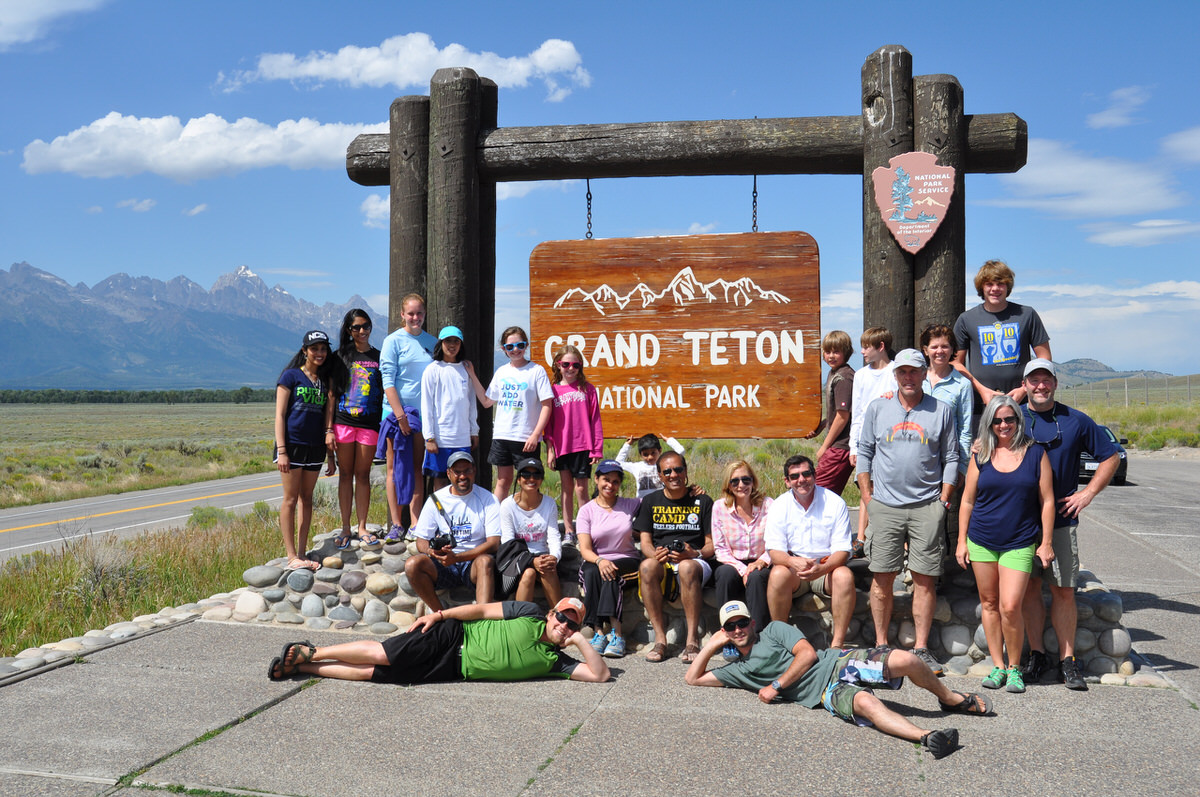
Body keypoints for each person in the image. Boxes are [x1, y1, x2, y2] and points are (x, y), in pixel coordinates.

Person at [684, 601, 993, 760]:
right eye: (730, 627)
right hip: (827, 693)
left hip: (837, 663)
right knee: (867, 704)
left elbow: (807, 655)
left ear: (752, 622)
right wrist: (711, 646)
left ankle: (950, 699)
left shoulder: (775, 630)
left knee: (907, 660)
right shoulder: (736, 669)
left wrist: (775, 686)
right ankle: (929, 737)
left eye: (741, 623)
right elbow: (692, 678)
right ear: (725, 631)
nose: (737, 630)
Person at [1019, 359, 1120, 690]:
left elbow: (1111, 455)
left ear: (1055, 384)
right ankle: (1036, 655)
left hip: (1061, 520)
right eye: (1034, 381)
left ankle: (1068, 660)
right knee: (1030, 589)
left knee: (1063, 590)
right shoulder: (1013, 417)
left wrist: (1088, 493)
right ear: (1025, 384)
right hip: (1019, 521)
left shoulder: (1075, 420)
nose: (1040, 386)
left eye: (1046, 380)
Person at [856, 349, 958, 676]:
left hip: (927, 505)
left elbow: (951, 457)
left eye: (914, 371)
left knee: (925, 579)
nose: (908, 377)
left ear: (924, 373)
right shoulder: (878, 408)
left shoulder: (940, 411)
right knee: (882, 577)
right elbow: (865, 453)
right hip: (884, 506)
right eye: (902, 372)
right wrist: (868, 497)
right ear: (895, 375)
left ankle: (922, 648)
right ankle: (883, 644)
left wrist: (943, 500)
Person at [268, 597, 609, 685]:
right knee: (384, 654)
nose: (564, 626)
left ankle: (306, 667)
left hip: (453, 669)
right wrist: (441, 616)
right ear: (552, 614)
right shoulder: (530, 612)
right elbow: (481, 610)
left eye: (571, 625)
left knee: (373, 673)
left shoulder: (559, 662)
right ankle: (315, 650)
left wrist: (580, 642)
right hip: (451, 636)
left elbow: (599, 675)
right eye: (562, 617)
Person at [956, 396, 1055, 694]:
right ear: (989, 422)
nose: (1003, 425)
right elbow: (968, 500)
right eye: (997, 420)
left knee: (1010, 606)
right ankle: (997, 665)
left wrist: (1046, 542)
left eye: (1009, 419)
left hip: (1019, 541)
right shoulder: (981, 454)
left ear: (1018, 421)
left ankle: (1015, 668)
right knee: (989, 603)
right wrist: (961, 541)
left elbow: (1047, 500)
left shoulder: (1035, 454)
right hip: (982, 539)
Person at [763, 455, 855, 648]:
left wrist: (824, 567)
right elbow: (774, 550)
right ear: (787, 481)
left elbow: (843, 549)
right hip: (795, 568)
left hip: (827, 567)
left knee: (844, 576)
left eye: (806, 474)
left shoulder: (834, 502)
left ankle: (837, 644)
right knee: (778, 573)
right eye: (794, 476)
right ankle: (781, 640)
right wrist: (791, 562)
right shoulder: (779, 505)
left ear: (814, 475)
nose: (801, 480)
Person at [632, 450, 714, 663]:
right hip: (664, 562)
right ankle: (660, 639)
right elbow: (646, 543)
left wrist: (693, 553)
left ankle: (691, 639)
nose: (673, 475)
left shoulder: (702, 500)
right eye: (667, 471)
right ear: (659, 476)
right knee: (647, 566)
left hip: (695, 560)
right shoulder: (650, 501)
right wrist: (655, 554)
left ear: (686, 471)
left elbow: (711, 544)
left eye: (678, 469)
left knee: (687, 566)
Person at [273, 330, 343, 571]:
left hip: (315, 447)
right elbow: (280, 415)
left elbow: (328, 419)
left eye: (323, 349)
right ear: (305, 351)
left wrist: (330, 455)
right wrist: (282, 450)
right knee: (290, 499)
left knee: (307, 499)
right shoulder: (290, 376)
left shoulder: (325, 381)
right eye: (314, 349)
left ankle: (302, 552)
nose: (319, 353)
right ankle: (291, 555)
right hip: (292, 445)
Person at [466, 326, 554, 504]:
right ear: (503, 349)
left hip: (526, 437)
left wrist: (536, 434)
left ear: (526, 345)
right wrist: (472, 374)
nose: (515, 350)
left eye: (520, 345)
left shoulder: (536, 371)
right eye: (510, 347)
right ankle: (496, 522)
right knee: (503, 481)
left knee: (529, 482)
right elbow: (486, 401)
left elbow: (547, 405)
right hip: (502, 435)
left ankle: (526, 521)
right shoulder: (502, 372)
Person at [953, 259, 1051, 412]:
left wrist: (1024, 389)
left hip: (1023, 402)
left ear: (1008, 287)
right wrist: (981, 389)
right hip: (981, 404)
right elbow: (956, 363)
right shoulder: (966, 319)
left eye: (1001, 284)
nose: (995, 289)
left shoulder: (1027, 315)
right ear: (981, 287)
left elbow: (1044, 357)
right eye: (989, 284)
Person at [405, 452, 499, 613]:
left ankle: (482, 621)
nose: (463, 476)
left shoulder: (488, 499)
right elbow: (421, 540)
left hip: (473, 563)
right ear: (448, 474)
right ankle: (441, 616)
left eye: (467, 471)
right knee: (412, 564)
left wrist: (457, 557)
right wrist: (432, 552)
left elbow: (493, 543)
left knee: (485, 562)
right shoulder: (436, 499)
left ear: (474, 471)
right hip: (443, 563)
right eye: (457, 472)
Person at [378, 293, 437, 541]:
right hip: (396, 415)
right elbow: (388, 380)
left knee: (416, 469)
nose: (415, 318)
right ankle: (396, 523)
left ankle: (415, 524)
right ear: (402, 315)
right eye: (410, 313)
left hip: (423, 416)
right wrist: (399, 414)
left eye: (419, 313)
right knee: (394, 469)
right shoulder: (393, 341)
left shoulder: (432, 343)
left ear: (424, 314)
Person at [576, 460, 643, 658]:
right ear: (596, 479)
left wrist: (691, 491)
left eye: (615, 481)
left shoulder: (630, 505)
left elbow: (658, 500)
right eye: (606, 479)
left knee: (610, 572)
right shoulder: (586, 510)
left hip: (627, 559)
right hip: (596, 560)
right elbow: (585, 549)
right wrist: (599, 561)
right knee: (593, 571)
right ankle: (598, 633)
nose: (610, 485)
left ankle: (616, 634)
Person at [921, 323, 974, 558]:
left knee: (939, 516)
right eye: (934, 346)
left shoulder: (962, 385)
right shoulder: (915, 379)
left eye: (945, 346)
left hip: (945, 461)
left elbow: (965, 429)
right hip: (916, 460)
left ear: (952, 349)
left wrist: (962, 467)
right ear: (925, 350)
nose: (939, 351)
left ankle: (937, 570)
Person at [333, 309, 383, 549]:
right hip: (343, 422)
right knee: (345, 475)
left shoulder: (379, 357)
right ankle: (345, 527)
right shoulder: (340, 356)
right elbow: (331, 394)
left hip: (369, 425)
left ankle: (361, 526)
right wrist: (328, 430)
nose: (362, 331)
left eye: (366, 326)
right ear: (348, 330)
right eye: (356, 327)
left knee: (363, 475)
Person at [544, 344, 603, 543]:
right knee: (567, 488)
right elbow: (549, 425)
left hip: (583, 445)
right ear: (558, 365)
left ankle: (585, 529)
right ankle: (569, 530)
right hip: (562, 447)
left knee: (581, 489)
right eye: (566, 364)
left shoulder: (588, 389)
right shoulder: (552, 391)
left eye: (575, 365)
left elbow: (595, 419)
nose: (570, 368)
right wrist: (550, 449)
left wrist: (596, 448)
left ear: (580, 367)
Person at [848, 327, 897, 549]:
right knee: (865, 485)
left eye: (867, 347)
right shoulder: (860, 375)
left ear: (881, 347)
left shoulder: (896, 371)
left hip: (892, 439)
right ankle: (861, 537)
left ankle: (889, 538)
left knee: (887, 488)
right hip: (866, 439)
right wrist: (853, 447)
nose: (862, 351)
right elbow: (856, 412)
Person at [711, 460, 773, 631]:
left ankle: (759, 636)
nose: (741, 485)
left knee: (756, 576)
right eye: (735, 481)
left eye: (746, 480)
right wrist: (742, 569)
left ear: (753, 481)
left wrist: (761, 562)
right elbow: (721, 549)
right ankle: (728, 633)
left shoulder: (768, 505)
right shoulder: (719, 507)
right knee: (724, 574)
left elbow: (775, 542)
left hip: (761, 561)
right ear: (728, 485)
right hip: (733, 561)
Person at [498, 457, 562, 606]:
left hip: (542, 554)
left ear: (541, 480)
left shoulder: (549, 503)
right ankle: (522, 621)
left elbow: (553, 536)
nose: (531, 479)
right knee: (529, 573)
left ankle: (559, 615)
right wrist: (531, 561)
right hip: (517, 555)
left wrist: (554, 557)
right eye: (526, 475)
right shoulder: (507, 505)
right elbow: (508, 542)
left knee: (549, 568)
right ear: (519, 480)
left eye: (536, 475)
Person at [420, 325, 478, 490]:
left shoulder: (466, 369)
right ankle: (439, 515)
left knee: (463, 478)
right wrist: (429, 437)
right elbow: (427, 405)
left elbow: (471, 402)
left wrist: (474, 430)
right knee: (440, 481)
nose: (452, 345)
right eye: (448, 341)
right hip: (441, 438)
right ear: (441, 343)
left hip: (462, 437)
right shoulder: (432, 370)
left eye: (456, 341)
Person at [805, 330, 855, 496]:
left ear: (846, 352)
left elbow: (843, 415)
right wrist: (820, 427)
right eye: (827, 352)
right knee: (821, 493)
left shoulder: (844, 377)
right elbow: (836, 414)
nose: (831, 356)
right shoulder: (834, 373)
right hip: (837, 446)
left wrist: (824, 447)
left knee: (819, 493)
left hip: (840, 447)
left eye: (836, 351)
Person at [615, 432, 686, 498]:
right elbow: (618, 462)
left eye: (653, 453)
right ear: (641, 455)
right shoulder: (637, 467)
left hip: (660, 502)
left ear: (660, 451)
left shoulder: (663, 464)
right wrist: (628, 444)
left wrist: (669, 440)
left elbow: (681, 451)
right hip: (642, 503)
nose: (650, 457)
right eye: (645, 454)